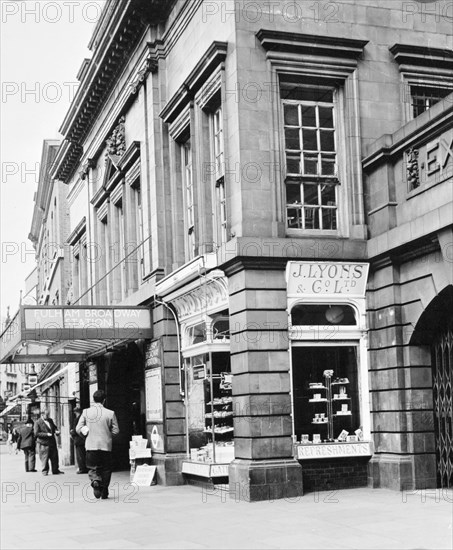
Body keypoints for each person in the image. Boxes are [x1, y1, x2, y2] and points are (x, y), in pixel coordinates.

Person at [76, 390, 119, 499]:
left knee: (92, 467)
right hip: (106, 446)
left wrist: (85, 436)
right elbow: (116, 430)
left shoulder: (86, 412)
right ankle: (104, 491)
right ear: (104, 400)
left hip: (91, 445)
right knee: (106, 469)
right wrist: (108, 436)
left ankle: (95, 480)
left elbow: (78, 428)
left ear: (93, 400)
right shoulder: (110, 413)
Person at [34, 410, 64, 476]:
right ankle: (45, 471)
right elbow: (36, 433)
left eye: (48, 415)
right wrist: (46, 434)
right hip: (43, 443)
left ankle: (55, 470)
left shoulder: (50, 420)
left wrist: (56, 431)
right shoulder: (37, 422)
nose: (47, 417)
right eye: (46, 415)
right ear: (42, 415)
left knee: (54, 457)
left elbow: (54, 427)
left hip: (52, 442)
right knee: (45, 457)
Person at [70, 407, 88, 474]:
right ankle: (85, 467)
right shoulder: (84, 418)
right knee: (83, 454)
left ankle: (82, 468)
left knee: (80, 455)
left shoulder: (77, 419)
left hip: (78, 439)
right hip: (83, 439)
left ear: (75, 412)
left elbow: (76, 430)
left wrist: (71, 432)